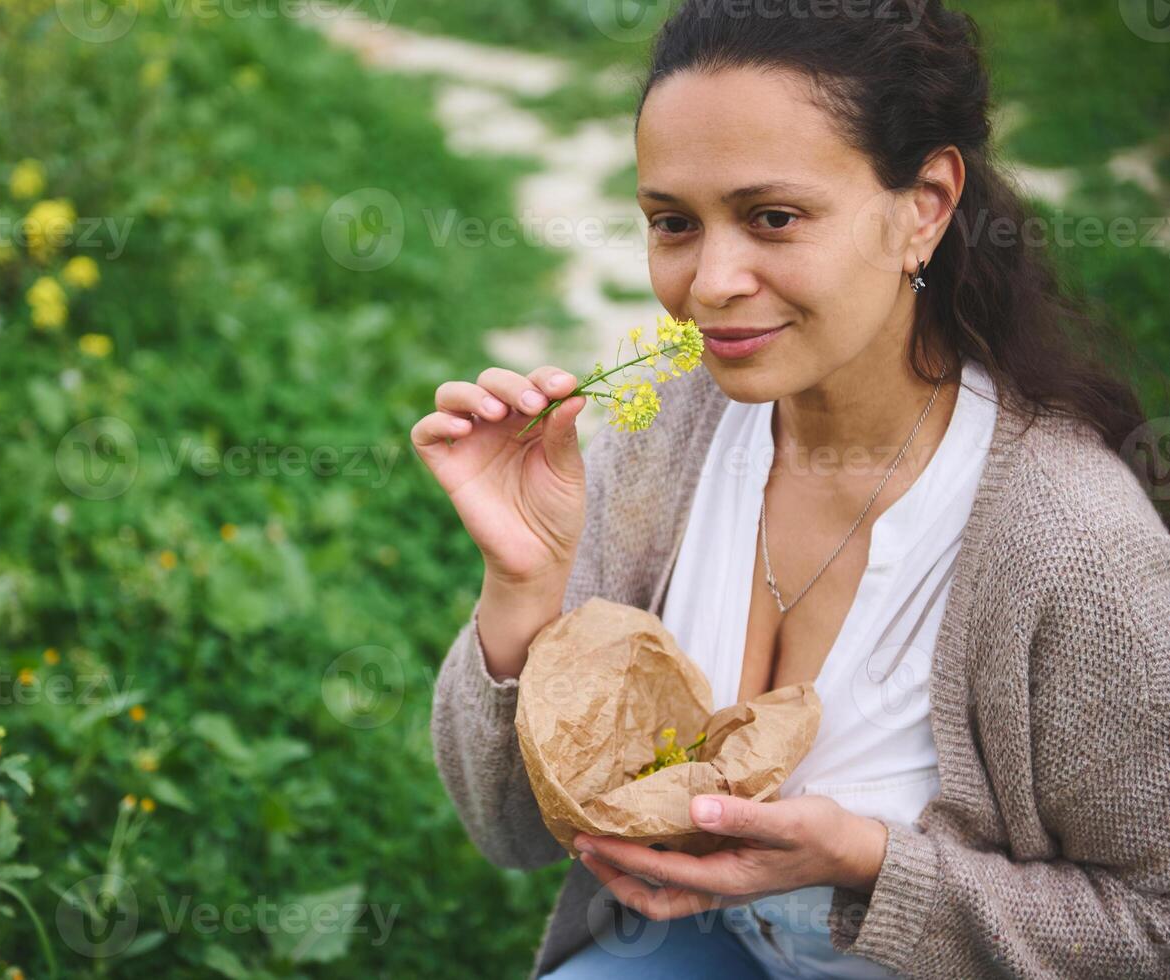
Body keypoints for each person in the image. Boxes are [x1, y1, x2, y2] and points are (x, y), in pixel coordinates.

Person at [409, 2, 1170, 978]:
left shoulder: (1070, 538)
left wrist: (874, 864)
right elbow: (512, 826)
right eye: (673, 223)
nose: (712, 282)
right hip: (698, 942)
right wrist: (522, 586)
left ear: (926, 205)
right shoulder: (673, 431)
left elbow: (1151, 924)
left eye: (774, 217)